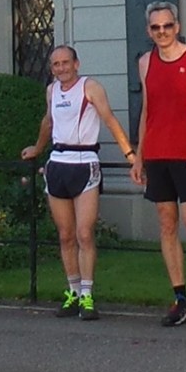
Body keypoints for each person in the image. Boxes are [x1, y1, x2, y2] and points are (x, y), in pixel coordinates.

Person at [21, 44, 134, 320]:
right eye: (56, 64)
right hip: (59, 163)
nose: (61, 68)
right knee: (66, 234)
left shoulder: (90, 88)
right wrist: (37, 148)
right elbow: (48, 122)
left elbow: (109, 120)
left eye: (65, 63)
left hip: (85, 162)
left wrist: (131, 155)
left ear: (76, 64)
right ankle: (72, 291)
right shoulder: (52, 90)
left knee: (85, 233)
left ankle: (87, 295)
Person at [129, 0, 186, 328]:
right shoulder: (145, 63)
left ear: (177, 26)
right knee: (167, 225)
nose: (162, 32)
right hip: (156, 152)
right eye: (156, 28)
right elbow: (146, 111)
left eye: (167, 26)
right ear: (149, 31)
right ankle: (180, 298)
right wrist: (138, 155)